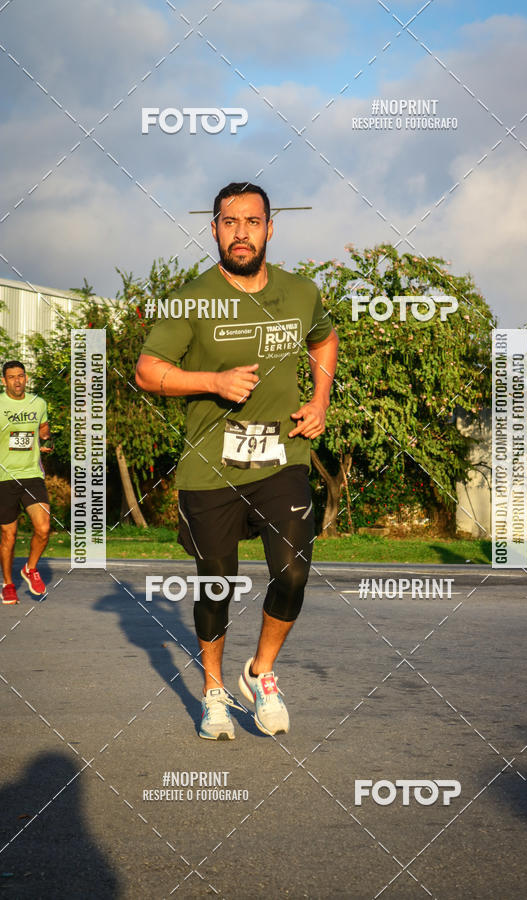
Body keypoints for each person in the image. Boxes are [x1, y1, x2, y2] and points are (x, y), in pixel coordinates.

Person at [136, 182, 338, 740]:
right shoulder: (191, 299)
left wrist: (319, 400)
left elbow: (324, 339)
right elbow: (148, 370)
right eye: (230, 222)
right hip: (211, 467)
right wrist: (212, 382)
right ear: (215, 230)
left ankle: (262, 672)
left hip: (282, 456)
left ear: (271, 228)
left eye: (252, 221)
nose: (241, 232)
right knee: (216, 584)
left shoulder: (301, 294)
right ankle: (214, 691)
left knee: (293, 572)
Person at [0, 361, 52, 605]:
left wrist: (45, 438)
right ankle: (8, 584)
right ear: (4, 381)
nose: (17, 381)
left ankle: (30, 569)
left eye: (21, 376)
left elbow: (43, 427)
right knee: (8, 535)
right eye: (11, 377)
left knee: (43, 528)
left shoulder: (38, 403)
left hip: (32, 475)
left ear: (26, 378)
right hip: (4, 477)